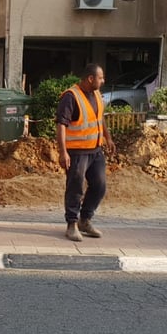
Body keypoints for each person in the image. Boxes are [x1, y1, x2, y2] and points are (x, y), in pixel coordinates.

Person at [56, 63, 114, 242]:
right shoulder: (70, 97)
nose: (103, 81)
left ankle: (85, 220)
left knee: (99, 185)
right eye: (100, 77)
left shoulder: (96, 94)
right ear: (90, 78)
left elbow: (99, 117)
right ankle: (72, 224)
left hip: (95, 150)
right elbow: (61, 125)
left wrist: (108, 137)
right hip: (77, 152)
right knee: (75, 187)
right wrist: (63, 152)